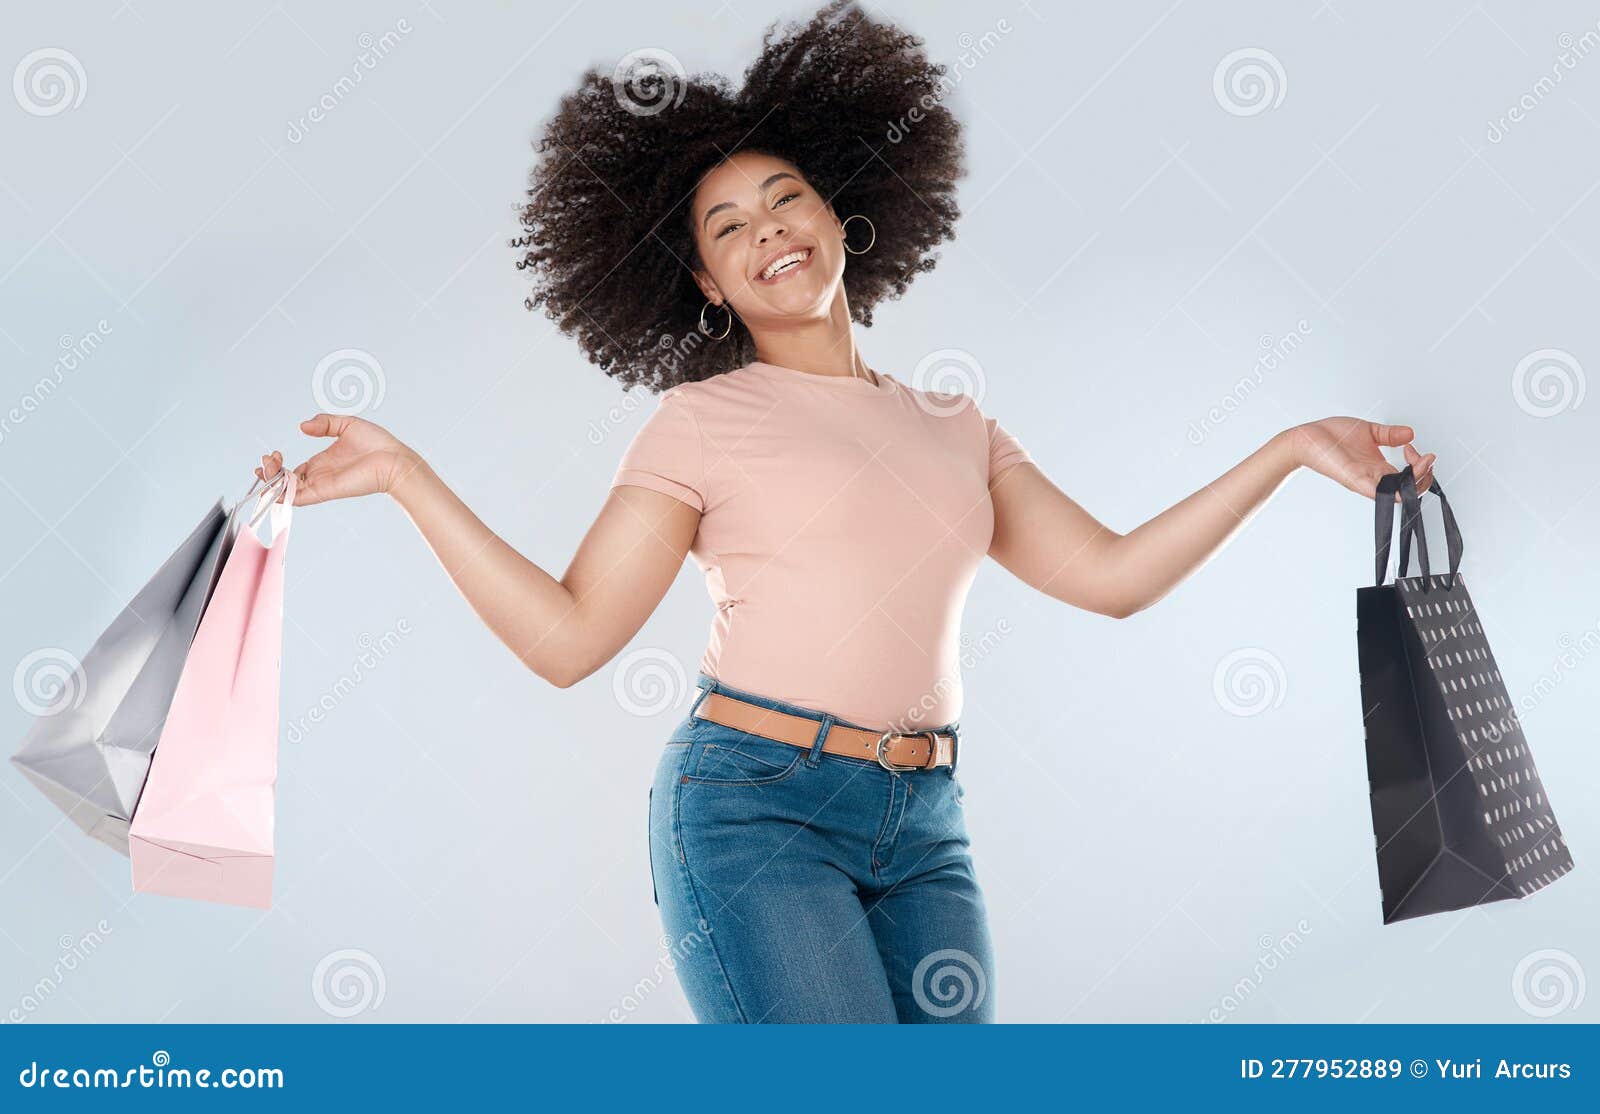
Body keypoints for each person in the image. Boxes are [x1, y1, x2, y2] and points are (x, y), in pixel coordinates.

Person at [256, 0, 1436, 1023]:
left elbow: (1113, 576)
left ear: (843, 212)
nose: (768, 227)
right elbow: (570, 640)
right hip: (753, 811)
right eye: (729, 227)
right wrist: (410, 478)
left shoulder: (957, 421)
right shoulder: (702, 420)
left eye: (785, 198)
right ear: (708, 286)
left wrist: (1282, 453)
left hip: (926, 824)